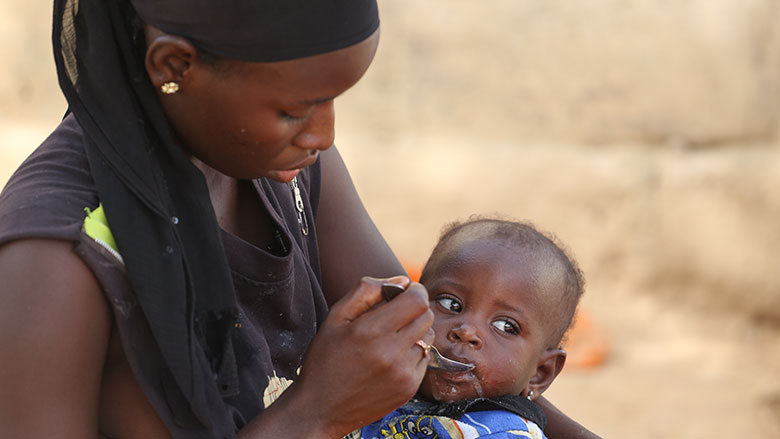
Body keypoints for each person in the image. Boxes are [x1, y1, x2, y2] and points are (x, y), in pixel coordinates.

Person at [0, 1, 599, 438]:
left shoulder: (275, 159)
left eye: (335, 100)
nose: (324, 135)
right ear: (174, 65)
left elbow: (425, 351)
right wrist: (314, 414)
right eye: (295, 109)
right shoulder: (53, 262)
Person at [356, 218, 584, 439]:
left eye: (505, 326)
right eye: (450, 304)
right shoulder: (366, 377)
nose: (466, 331)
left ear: (540, 372)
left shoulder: (507, 434)